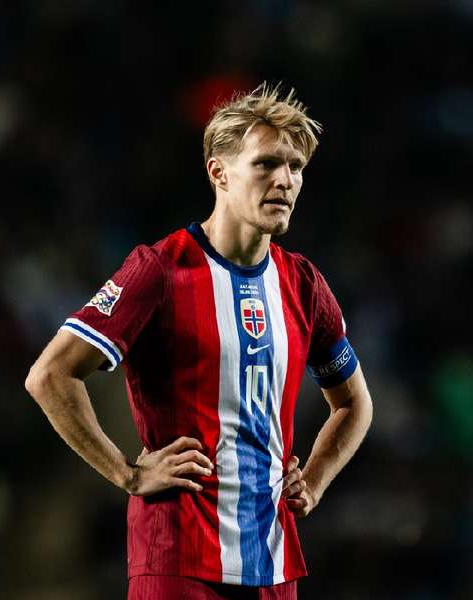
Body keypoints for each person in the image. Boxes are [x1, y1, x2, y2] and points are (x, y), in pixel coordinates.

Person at [25, 83, 373, 600]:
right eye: (266, 164)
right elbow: (50, 375)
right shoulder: (160, 269)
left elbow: (354, 404)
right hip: (178, 559)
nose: (286, 180)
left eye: (296, 167)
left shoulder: (303, 284)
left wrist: (316, 481)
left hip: (274, 564)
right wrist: (126, 474)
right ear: (219, 173)